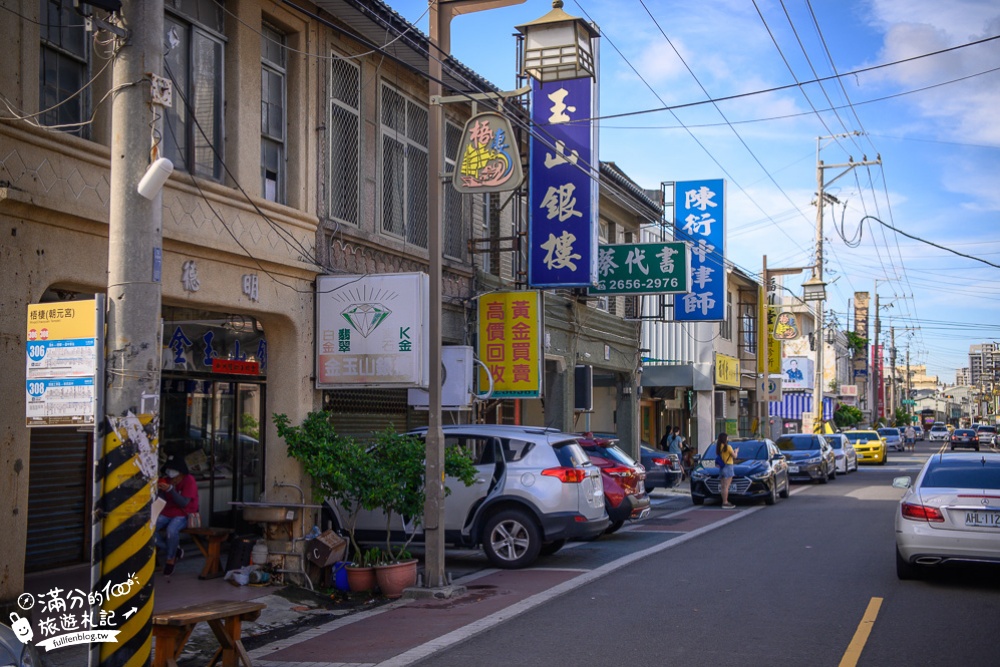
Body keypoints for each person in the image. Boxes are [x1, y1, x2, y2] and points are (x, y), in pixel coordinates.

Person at [155, 455, 199, 575]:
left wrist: (170, 490)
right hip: (167, 512)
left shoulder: (189, 480)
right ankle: (175, 551)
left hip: (184, 513)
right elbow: (162, 499)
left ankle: (170, 559)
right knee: (150, 528)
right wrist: (159, 490)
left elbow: (183, 503)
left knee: (171, 530)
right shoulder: (167, 480)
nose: (169, 472)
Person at [716, 433, 737, 509]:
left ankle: (724, 501)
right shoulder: (728, 447)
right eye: (727, 437)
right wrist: (736, 451)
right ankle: (725, 502)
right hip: (728, 466)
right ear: (725, 438)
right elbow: (734, 456)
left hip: (722, 467)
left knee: (723, 486)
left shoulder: (719, 447)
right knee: (726, 487)